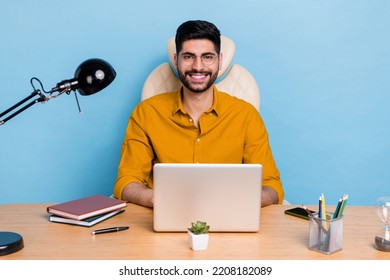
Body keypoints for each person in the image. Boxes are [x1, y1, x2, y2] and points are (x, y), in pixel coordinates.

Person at [114, 20, 283, 208]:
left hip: (230, 214)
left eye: (207, 57)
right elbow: (126, 182)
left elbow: (271, 186)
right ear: (176, 59)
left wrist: (237, 202)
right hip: (163, 214)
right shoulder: (146, 113)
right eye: (188, 57)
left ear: (219, 60)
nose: (198, 66)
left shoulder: (245, 115)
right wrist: (159, 200)